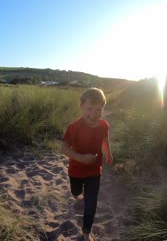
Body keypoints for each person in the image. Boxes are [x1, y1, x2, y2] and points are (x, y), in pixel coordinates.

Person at [61, 87, 113, 241]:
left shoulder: (104, 125)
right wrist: (81, 158)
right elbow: (63, 148)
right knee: (76, 192)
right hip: (75, 171)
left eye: (98, 110)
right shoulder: (74, 127)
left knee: (91, 203)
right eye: (89, 109)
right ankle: (77, 194)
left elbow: (105, 139)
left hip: (94, 171)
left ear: (103, 108)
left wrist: (108, 152)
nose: (93, 114)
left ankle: (86, 231)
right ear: (81, 107)